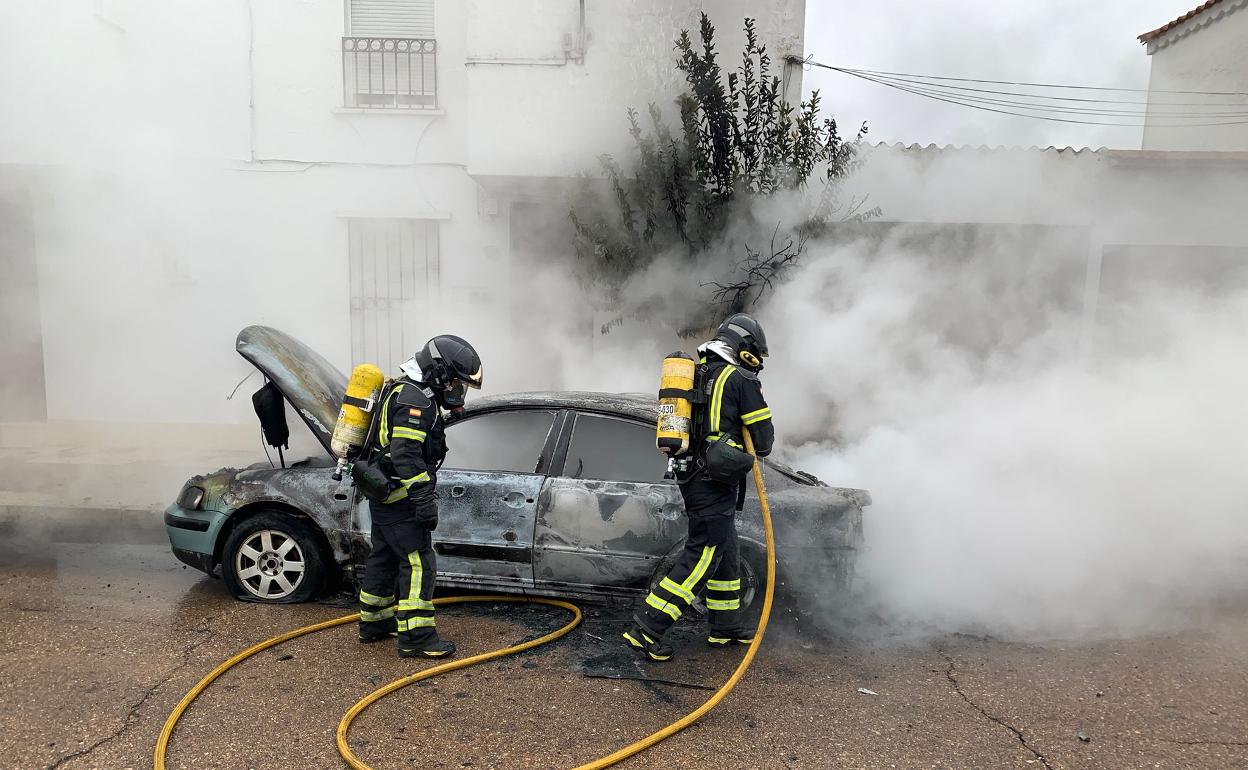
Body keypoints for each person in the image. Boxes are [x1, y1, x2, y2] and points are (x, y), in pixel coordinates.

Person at [624, 313, 775, 661]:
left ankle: (725, 626)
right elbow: (763, 441)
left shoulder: (701, 373)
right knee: (703, 555)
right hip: (713, 480)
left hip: (693, 475)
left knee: (725, 549)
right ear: (746, 348)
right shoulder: (740, 379)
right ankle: (646, 629)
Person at [356, 335, 483, 658]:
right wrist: (424, 500)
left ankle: (375, 621)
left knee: (383, 557)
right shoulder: (417, 403)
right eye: (456, 383)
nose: (458, 391)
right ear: (439, 373)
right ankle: (417, 637)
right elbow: (407, 455)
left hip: (384, 494)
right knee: (417, 563)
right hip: (401, 498)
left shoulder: (405, 390)